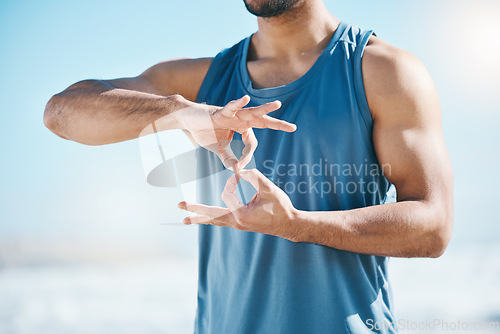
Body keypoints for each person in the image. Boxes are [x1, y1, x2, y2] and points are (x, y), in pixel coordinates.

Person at [44, 0, 454, 332]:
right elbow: (61, 114)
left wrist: (298, 225)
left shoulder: (383, 72)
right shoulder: (201, 82)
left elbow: (433, 227)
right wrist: (175, 113)